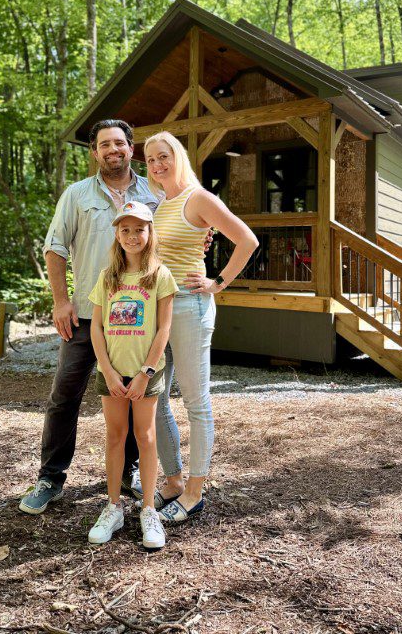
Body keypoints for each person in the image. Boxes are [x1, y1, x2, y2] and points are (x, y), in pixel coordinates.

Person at [19, 120, 158, 514]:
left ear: (131, 148)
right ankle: (50, 477)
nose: (113, 149)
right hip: (83, 316)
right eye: (104, 145)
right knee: (64, 396)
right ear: (94, 153)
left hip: (136, 319)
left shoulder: (154, 192)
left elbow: (172, 238)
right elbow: (55, 247)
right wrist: (60, 301)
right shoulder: (77, 195)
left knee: (133, 396)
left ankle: (130, 470)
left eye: (120, 143)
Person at [144, 131, 259, 524]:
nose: (158, 165)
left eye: (164, 156)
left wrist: (218, 282)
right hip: (159, 312)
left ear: (178, 156)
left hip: (190, 308)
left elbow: (247, 240)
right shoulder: (161, 203)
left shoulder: (200, 198)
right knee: (154, 396)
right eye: (151, 159)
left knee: (196, 401)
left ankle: (195, 492)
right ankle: (173, 479)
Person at [87, 201, 178, 548]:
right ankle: (113, 507)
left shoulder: (160, 276)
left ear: (149, 232)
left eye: (139, 228)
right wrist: (107, 370)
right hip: (111, 372)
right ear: (117, 234)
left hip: (146, 373)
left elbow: (163, 329)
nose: (132, 235)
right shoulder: (107, 277)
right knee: (114, 436)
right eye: (125, 229)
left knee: (146, 436)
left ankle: (149, 510)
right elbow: (96, 327)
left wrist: (145, 373)